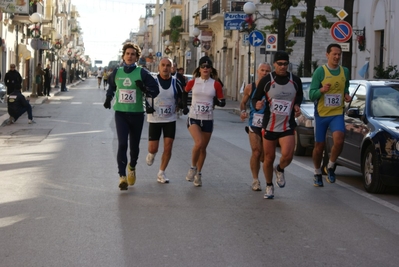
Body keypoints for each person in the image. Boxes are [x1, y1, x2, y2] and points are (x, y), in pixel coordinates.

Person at [103, 42, 159, 191]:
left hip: (136, 114)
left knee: (134, 147)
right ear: (123, 56)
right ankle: (122, 176)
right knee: (122, 144)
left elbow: (155, 91)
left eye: (133, 54)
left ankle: (132, 166)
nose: (129, 56)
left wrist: (144, 88)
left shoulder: (142, 73)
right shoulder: (117, 72)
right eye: (127, 54)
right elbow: (112, 87)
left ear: (137, 58)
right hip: (121, 113)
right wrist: (108, 98)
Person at [252, 51, 303, 199]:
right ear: (274, 64)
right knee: (269, 157)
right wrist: (257, 104)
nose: (282, 66)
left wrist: (297, 106)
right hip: (270, 125)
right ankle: (269, 185)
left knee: (287, 155)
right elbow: (255, 97)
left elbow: (299, 95)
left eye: (285, 64)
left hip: (287, 124)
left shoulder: (295, 80)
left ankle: (280, 169)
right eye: (279, 64)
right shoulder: (267, 80)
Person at [309, 43, 351, 187]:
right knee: (319, 147)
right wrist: (321, 90)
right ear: (327, 55)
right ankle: (317, 172)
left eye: (339, 54)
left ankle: (331, 166)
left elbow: (346, 87)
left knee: (339, 140)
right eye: (334, 54)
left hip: (337, 113)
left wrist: (346, 94)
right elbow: (311, 94)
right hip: (321, 114)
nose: (337, 57)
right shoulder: (320, 72)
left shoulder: (344, 71)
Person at [182, 56, 225, 187]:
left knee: (203, 148)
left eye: (208, 67)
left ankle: (199, 173)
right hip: (194, 117)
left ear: (211, 69)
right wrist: (184, 106)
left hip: (207, 119)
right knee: (199, 143)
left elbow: (221, 100)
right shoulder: (193, 82)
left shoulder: (216, 84)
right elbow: (184, 92)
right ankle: (192, 167)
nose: (205, 69)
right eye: (203, 66)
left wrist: (219, 102)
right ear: (199, 69)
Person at [145, 57, 183, 184]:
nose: (166, 68)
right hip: (155, 119)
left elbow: (181, 96)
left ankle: (161, 172)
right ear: (158, 67)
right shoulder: (152, 81)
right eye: (163, 65)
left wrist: (181, 105)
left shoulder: (175, 82)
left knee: (168, 147)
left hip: (170, 119)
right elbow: (145, 93)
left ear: (172, 68)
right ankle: (151, 154)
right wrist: (147, 106)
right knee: (153, 148)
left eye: (168, 65)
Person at [240, 62, 271, 191]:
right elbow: (243, 103)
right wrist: (243, 112)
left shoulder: (273, 87)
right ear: (257, 72)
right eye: (262, 70)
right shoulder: (250, 87)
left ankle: (268, 172)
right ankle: (255, 180)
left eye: (267, 71)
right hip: (254, 123)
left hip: (269, 124)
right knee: (256, 152)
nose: (264, 73)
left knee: (265, 156)